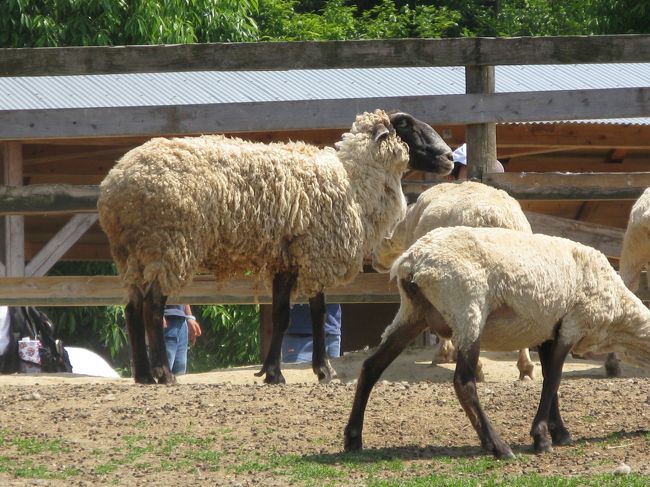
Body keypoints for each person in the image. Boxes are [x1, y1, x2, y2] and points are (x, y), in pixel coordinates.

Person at [163, 304, 202, 375]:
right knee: (163, 372)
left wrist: (190, 317)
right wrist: (157, 314)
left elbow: (183, 294)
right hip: (166, 321)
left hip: (182, 321)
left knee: (180, 371)